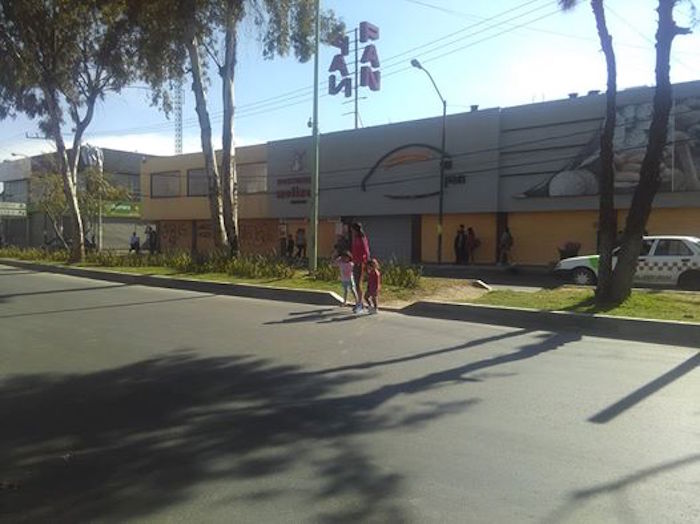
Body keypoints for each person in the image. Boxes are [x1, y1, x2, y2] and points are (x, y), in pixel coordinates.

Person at [351, 222, 370, 313]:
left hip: (360, 263)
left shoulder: (362, 238)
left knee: (358, 284)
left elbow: (366, 251)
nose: (352, 231)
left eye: (353, 229)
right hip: (355, 262)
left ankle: (360, 304)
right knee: (356, 283)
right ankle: (359, 302)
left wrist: (365, 262)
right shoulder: (355, 238)